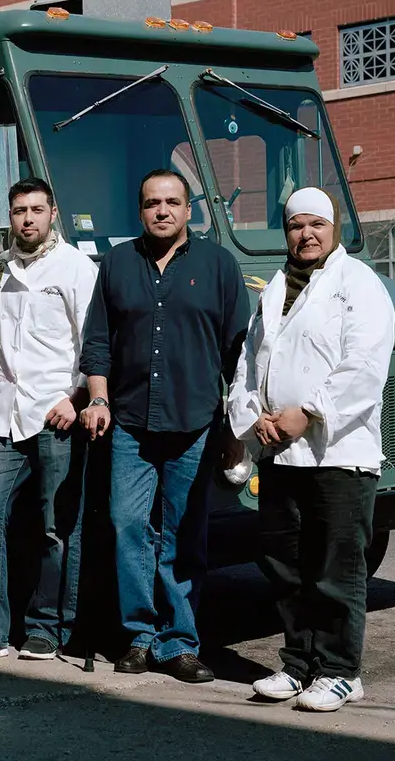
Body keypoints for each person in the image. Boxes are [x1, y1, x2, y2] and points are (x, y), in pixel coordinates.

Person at [79, 169, 250, 682]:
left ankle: (179, 643)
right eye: (152, 202)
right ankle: (138, 637)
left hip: (194, 424)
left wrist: (231, 428)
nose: (162, 211)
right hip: (129, 422)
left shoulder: (219, 265)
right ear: (140, 211)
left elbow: (238, 353)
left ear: (189, 209)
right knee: (128, 527)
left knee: (183, 535)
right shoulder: (116, 264)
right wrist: (98, 398)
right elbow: (98, 342)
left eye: (172, 202)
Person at [228, 187, 395, 712]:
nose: (306, 234)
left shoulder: (359, 284)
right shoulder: (274, 288)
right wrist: (253, 417)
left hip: (337, 454)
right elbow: (248, 365)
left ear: (334, 229)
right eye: (296, 226)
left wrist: (309, 413)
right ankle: (300, 665)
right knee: (286, 565)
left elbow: (364, 365)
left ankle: (342, 671)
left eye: (316, 225)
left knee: (337, 568)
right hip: (280, 452)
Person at [0, 178, 97, 664]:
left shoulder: (76, 267)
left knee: (55, 527)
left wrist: (76, 398)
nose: (28, 219)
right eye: (19, 211)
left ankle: (47, 627)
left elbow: (93, 342)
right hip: (1, 416)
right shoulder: (0, 267)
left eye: (36, 210)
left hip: (54, 413)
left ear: (53, 213)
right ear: (10, 216)